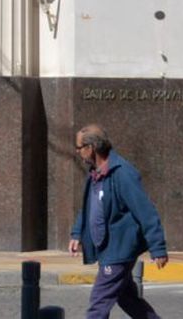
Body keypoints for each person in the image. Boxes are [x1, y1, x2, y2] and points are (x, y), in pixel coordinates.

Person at [69, 124, 169, 319]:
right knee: (127, 299)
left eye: (79, 147)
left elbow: (145, 211)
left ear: (91, 147)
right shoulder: (95, 174)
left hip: (119, 249)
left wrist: (158, 248)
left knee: (98, 304)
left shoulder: (122, 173)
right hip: (106, 249)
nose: (78, 152)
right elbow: (88, 207)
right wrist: (77, 233)